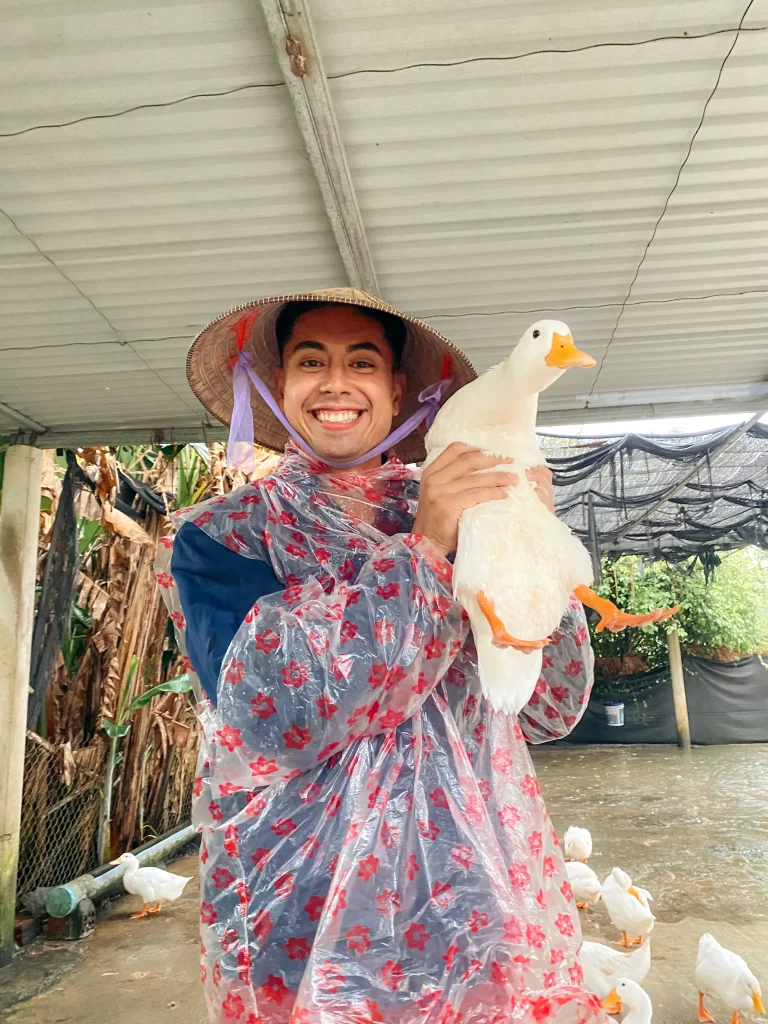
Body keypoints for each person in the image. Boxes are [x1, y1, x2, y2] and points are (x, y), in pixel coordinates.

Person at [156, 289, 604, 1024]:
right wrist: (426, 548)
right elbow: (277, 714)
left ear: (397, 392)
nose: (336, 383)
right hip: (298, 920)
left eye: (361, 362)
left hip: (469, 913)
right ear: (277, 385)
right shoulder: (224, 536)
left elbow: (549, 707)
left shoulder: (474, 508)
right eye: (312, 361)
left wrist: (530, 547)